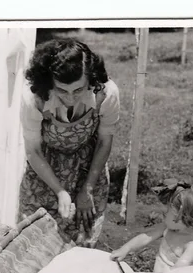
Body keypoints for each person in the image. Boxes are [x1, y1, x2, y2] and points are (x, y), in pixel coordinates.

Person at [18, 38, 120, 248]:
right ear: (49, 83)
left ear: (90, 79)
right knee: (37, 245)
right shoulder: (34, 98)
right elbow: (34, 151)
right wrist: (60, 191)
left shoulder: (106, 93)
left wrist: (88, 189)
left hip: (89, 168)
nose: (71, 98)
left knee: (82, 245)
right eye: (62, 91)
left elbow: (104, 141)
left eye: (78, 90)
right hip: (45, 170)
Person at [110, 180, 193, 273]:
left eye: (165, 215)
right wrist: (126, 248)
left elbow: (180, 268)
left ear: (181, 216)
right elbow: (146, 237)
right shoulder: (167, 227)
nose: (163, 218)